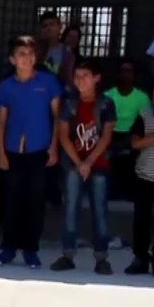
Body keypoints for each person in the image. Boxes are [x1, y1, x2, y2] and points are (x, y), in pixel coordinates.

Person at [0, 36, 62, 269]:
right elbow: (1, 122)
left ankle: (31, 249)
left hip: (39, 149)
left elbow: (57, 118)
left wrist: (54, 146)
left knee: (35, 202)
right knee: (11, 201)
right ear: (13, 59)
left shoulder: (48, 82)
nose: (26, 57)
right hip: (13, 150)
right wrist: (1, 152)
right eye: (21, 53)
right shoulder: (6, 86)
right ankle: (8, 248)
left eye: (30, 53)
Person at [51, 60, 115, 274]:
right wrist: (79, 163)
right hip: (73, 164)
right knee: (71, 209)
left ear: (96, 78)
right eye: (76, 76)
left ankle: (102, 258)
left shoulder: (106, 103)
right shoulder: (69, 103)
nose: (79, 80)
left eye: (85, 75)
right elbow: (63, 135)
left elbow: (106, 136)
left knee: (100, 211)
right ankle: (67, 254)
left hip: (99, 164)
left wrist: (89, 161)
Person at [126, 76, 154, 278]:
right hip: (144, 175)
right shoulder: (145, 114)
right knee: (141, 220)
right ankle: (140, 258)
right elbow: (134, 143)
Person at [106, 59, 150, 202]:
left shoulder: (142, 97)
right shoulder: (108, 95)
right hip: (110, 133)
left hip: (131, 135)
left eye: (129, 71)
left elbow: (145, 123)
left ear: (134, 75)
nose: (125, 74)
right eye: (123, 71)